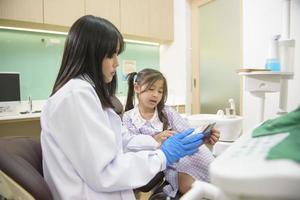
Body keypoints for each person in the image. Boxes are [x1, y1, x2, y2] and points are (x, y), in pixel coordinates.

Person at [40, 15, 205, 200]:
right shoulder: (76, 96)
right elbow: (105, 172)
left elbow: (120, 139)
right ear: (91, 54)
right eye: (111, 54)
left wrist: (158, 142)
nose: (116, 63)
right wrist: (162, 156)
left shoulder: (87, 94)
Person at [123, 68, 220, 198]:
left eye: (160, 91)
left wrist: (203, 137)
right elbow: (130, 147)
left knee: (216, 175)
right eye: (151, 89)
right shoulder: (129, 118)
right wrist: (155, 139)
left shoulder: (166, 112)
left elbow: (186, 131)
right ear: (136, 88)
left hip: (186, 154)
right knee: (188, 186)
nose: (155, 95)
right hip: (164, 159)